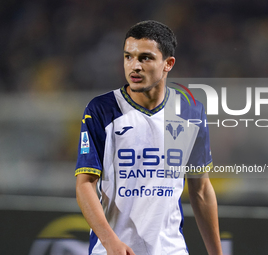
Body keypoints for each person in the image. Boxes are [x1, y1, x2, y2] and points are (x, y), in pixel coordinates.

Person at [75, 20, 222, 255]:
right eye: (128, 57)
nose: (135, 66)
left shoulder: (190, 113)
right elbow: (85, 185)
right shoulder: (102, 110)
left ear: (168, 64)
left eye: (145, 58)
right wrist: (110, 241)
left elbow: (201, 189)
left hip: (170, 249)